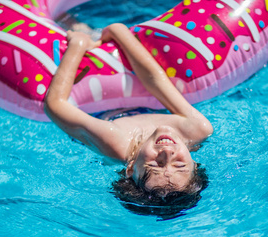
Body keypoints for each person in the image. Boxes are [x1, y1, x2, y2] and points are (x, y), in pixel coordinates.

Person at [45, 23, 213, 215]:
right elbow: (157, 81)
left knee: (75, 26)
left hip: (100, 112)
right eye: (180, 165)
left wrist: (77, 45)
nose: (167, 153)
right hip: (141, 101)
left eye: (155, 165)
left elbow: (55, 105)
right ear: (195, 164)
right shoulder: (197, 129)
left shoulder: (114, 141)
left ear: (131, 168)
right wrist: (119, 33)